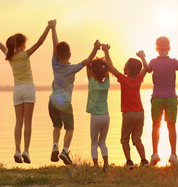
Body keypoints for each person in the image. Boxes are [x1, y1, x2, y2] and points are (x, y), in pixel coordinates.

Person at [0, 20, 54, 164]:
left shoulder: (10, 55)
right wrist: (49, 27)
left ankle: (16, 151)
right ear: (21, 45)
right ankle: (26, 150)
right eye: (25, 43)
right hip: (28, 89)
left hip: (17, 90)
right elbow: (39, 43)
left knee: (18, 121)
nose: (26, 45)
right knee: (28, 122)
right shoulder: (25, 55)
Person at [49, 20, 101, 165]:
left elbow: (55, 46)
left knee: (57, 126)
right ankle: (64, 151)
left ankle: (55, 146)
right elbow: (87, 60)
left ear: (57, 55)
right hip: (65, 102)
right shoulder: (72, 68)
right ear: (70, 54)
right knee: (70, 128)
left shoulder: (55, 64)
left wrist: (53, 29)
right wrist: (95, 48)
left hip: (52, 101)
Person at [147, 36, 178, 166]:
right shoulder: (173, 62)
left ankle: (155, 153)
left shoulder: (153, 62)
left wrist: (143, 58)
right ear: (169, 48)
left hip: (157, 98)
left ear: (156, 48)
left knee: (156, 125)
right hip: (171, 98)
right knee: (171, 126)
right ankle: (173, 154)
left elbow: (147, 69)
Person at [104, 49, 149, 168]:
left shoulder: (124, 79)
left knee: (124, 139)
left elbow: (110, 67)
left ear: (127, 70)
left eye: (125, 66)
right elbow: (146, 67)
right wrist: (142, 57)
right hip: (140, 112)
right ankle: (144, 161)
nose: (123, 67)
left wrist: (106, 52)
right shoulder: (139, 78)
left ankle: (129, 162)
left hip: (129, 114)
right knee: (137, 139)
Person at [86, 44, 111, 172]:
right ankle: (106, 164)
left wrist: (95, 48)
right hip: (106, 116)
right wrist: (106, 52)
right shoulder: (106, 83)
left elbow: (87, 64)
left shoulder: (91, 83)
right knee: (103, 142)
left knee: (94, 143)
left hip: (95, 117)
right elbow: (109, 67)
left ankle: (96, 166)